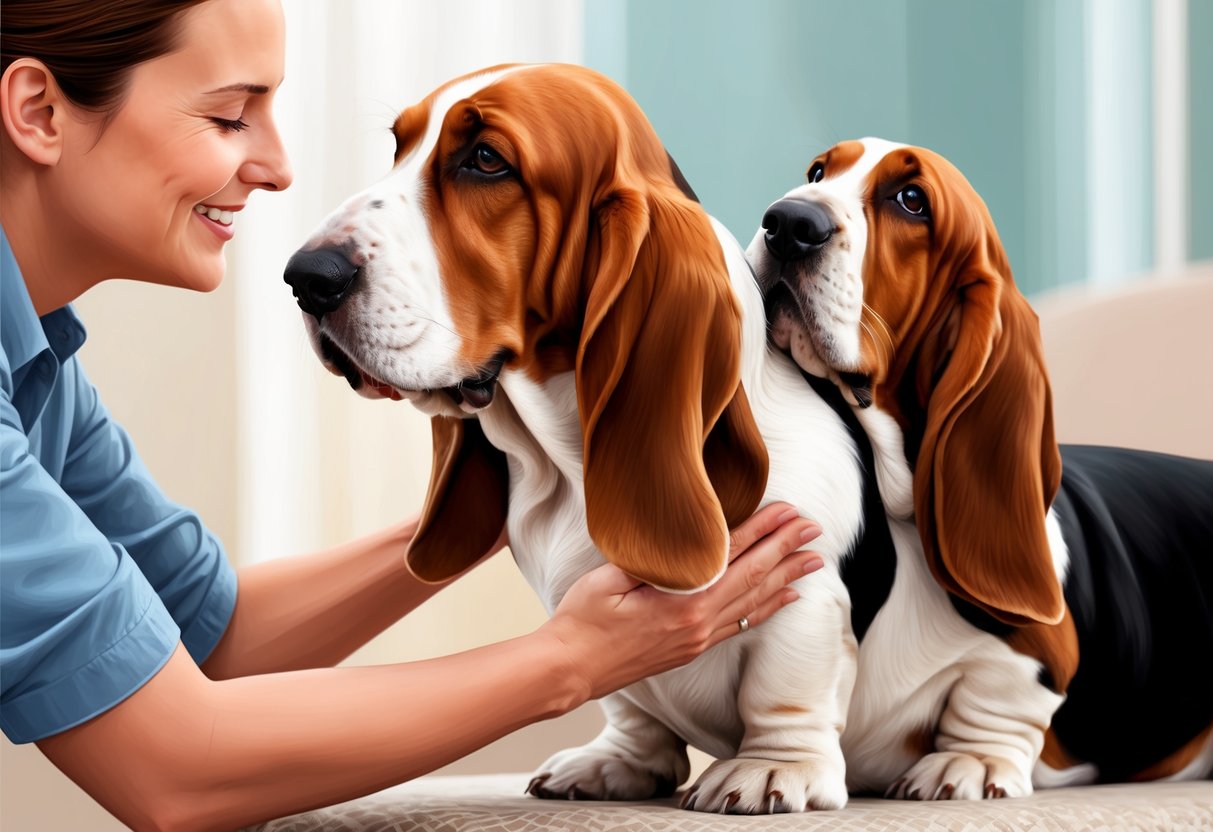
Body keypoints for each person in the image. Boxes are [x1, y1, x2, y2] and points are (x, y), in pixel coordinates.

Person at [0, 1, 827, 829]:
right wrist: (575, 659)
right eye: (228, 117)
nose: (280, 166)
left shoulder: (38, 366)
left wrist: (529, 485)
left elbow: (208, 637)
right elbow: (177, 767)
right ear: (39, 113)